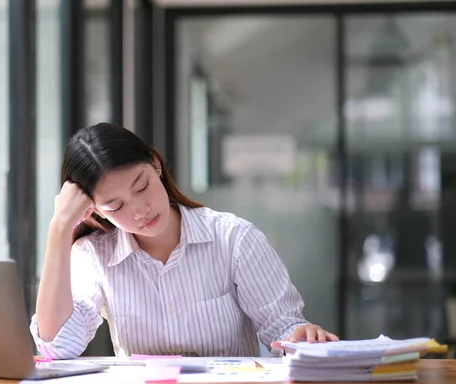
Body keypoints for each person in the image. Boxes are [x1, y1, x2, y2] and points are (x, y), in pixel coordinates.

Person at [31, 123, 338, 359]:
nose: (140, 210)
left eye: (142, 187)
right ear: (94, 210)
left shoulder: (233, 239)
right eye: (116, 206)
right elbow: (58, 348)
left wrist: (302, 336)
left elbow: (283, 331)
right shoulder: (94, 256)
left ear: (156, 165)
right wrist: (59, 228)